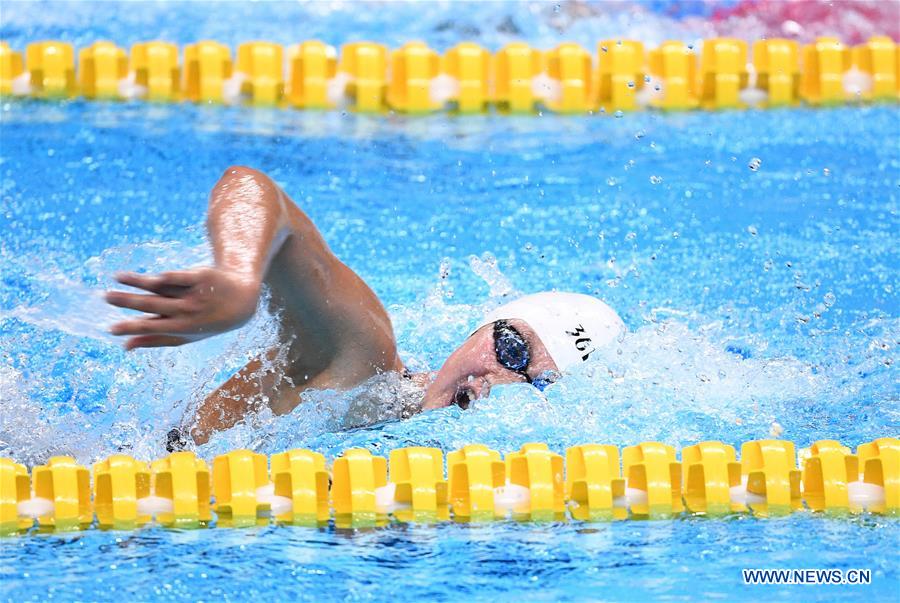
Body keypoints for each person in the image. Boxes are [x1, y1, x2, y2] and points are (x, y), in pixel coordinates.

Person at [105, 166, 625, 449]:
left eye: (536, 385)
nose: (492, 381)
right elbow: (252, 188)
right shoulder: (362, 359)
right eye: (511, 347)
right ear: (480, 328)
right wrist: (240, 279)